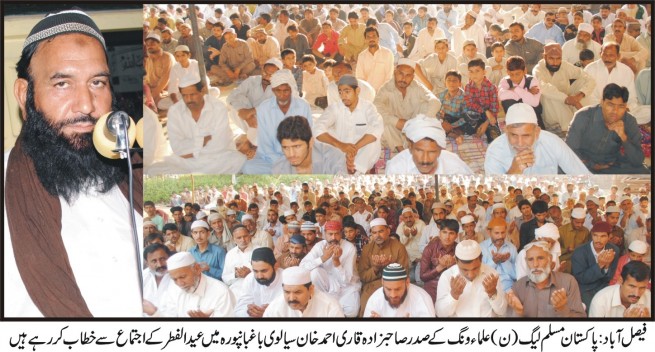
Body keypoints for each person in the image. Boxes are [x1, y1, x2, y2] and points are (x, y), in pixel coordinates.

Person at [5, 8, 144, 317]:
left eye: (97, 83)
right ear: (24, 94)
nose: (86, 104)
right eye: (62, 84)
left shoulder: (136, 174)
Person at [148, 75, 246, 175]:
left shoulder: (218, 107)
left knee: (238, 160)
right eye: (185, 95)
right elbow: (177, 148)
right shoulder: (175, 111)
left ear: (202, 91)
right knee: (152, 170)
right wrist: (203, 140)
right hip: (186, 162)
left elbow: (220, 144)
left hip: (218, 158)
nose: (189, 99)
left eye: (192, 94)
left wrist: (190, 147)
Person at [484, 103, 589, 175]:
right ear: (506, 131)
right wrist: (513, 172)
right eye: (514, 135)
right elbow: (495, 196)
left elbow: (582, 175)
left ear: (537, 132)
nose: (520, 143)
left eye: (526, 136)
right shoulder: (495, 151)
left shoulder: (552, 142)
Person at [566, 84, 649, 174]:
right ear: (602, 102)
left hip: (611, 167)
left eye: (621, 106)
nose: (615, 111)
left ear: (626, 106)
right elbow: (569, 150)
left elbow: (637, 160)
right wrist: (592, 165)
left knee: (644, 172)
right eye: (611, 105)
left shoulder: (629, 121)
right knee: (562, 168)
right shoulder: (583, 116)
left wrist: (623, 136)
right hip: (583, 164)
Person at [243, 69, 312, 174]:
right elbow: (264, 143)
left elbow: (309, 137)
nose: (282, 94)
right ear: (273, 90)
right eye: (278, 91)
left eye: (286, 90)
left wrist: (298, 160)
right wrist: (281, 162)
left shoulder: (303, 106)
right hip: (271, 159)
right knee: (248, 167)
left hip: (299, 158)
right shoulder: (264, 108)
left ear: (292, 89)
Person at [315, 75, 383, 174]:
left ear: (357, 91)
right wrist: (342, 146)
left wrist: (353, 149)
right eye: (340, 92)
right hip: (341, 149)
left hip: (361, 150)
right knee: (322, 136)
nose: (343, 96)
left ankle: (354, 169)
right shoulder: (335, 108)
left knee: (374, 141)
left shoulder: (368, 107)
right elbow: (317, 129)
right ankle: (347, 167)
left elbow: (377, 128)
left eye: (347, 91)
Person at [374, 59, 441, 151]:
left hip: (414, 129)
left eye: (408, 75)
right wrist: (396, 121)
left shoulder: (417, 86)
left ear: (413, 77)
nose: (403, 78)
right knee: (384, 122)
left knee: (426, 105)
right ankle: (402, 150)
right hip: (395, 131)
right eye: (401, 74)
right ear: (395, 72)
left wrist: (420, 123)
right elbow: (375, 106)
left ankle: (415, 141)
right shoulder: (386, 89)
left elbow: (435, 101)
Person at [506, 241, 586, 317]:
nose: (535, 264)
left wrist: (562, 309)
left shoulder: (568, 282)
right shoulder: (518, 286)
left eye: (540, 258)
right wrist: (518, 313)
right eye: (530, 259)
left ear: (550, 259)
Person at [299, 220, 361, 317]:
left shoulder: (349, 248)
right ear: (324, 234)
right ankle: (323, 303)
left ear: (341, 234)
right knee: (315, 272)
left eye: (336, 234)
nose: (333, 237)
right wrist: (323, 258)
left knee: (351, 312)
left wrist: (336, 262)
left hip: (346, 287)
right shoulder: (319, 246)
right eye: (330, 234)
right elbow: (302, 267)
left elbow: (346, 280)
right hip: (326, 286)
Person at [143, 252, 235, 317]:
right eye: (174, 279)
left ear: (197, 269)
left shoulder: (221, 291)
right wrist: (155, 312)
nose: (180, 283)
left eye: (183, 277)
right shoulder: (174, 289)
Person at [533, 42, 596, 134]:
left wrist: (579, 95)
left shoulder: (564, 65)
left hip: (570, 105)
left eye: (558, 59)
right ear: (544, 57)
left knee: (583, 80)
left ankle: (582, 119)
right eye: (551, 58)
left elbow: (589, 78)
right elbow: (544, 87)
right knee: (548, 94)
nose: (555, 63)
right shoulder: (538, 69)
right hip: (551, 114)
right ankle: (569, 129)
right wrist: (566, 99)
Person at [436, 240, 507, 317]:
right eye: (465, 270)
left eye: (475, 268)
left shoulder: (492, 274)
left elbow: (502, 311)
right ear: (456, 261)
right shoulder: (447, 277)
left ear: (481, 259)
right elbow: (440, 314)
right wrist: (453, 295)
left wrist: (493, 293)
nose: (470, 275)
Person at [385, 115, 472, 175]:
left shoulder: (455, 166)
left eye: (432, 152)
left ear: (440, 150)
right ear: (410, 147)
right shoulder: (396, 168)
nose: (425, 160)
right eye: (419, 151)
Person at [358, 218, 410, 317]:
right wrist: (375, 268)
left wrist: (388, 266)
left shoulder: (399, 247)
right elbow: (363, 276)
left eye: (381, 231)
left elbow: (404, 273)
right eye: (374, 233)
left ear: (388, 231)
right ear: (371, 235)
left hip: (395, 286)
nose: (377, 235)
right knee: (366, 308)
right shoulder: (367, 249)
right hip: (372, 286)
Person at [272, 115, 346, 174]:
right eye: (286, 148)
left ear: (310, 142)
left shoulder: (333, 158)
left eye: (297, 146)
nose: (291, 154)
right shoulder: (279, 168)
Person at [571, 221, 621, 310]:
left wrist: (606, 266)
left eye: (603, 236)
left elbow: (609, 277)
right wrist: (600, 265)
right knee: (594, 310)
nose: (598, 240)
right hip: (585, 289)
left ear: (610, 237)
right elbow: (581, 278)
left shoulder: (614, 250)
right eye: (595, 235)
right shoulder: (579, 252)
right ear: (591, 235)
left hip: (604, 287)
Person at [263, 266, 345, 317]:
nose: (291, 298)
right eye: (287, 292)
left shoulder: (330, 306)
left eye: (297, 292)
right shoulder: (275, 308)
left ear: (311, 289)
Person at [363, 263, 435, 317]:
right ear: (382, 283)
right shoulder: (375, 299)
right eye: (388, 289)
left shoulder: (422, 299)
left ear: (407, 283)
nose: (393, 295)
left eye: (397, 289)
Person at [234, 247, 284, 317]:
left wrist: (270, 313)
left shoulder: (286, 279)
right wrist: (250, 312)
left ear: (275, 266)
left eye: (264, 271)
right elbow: (239, 310)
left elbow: (292, 311)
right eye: (255, 271)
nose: (259, 276)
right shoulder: (250, 279)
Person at [419, 219, 458, 303]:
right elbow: (422, 276)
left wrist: (452, 266)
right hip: (433, 287)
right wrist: (440, 267)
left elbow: (464, 275)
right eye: (444, 232)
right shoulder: (429, 249)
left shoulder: (459, 249)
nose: (447, 237)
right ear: (439, 233)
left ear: (456, 236)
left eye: (451, 233)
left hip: (452, 288)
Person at [480, 219, 517, 292]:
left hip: (508, 288)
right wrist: (494, 261)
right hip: (487, 288)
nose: (500, 236)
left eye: (503, 233)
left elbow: (516, 276)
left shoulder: (512, 248)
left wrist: (504, 261)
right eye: (497, 233)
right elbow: (480, 274)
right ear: (489, 232)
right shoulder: (481, 248)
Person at [222, 225, 257, 299]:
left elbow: (268, 274)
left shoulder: (259, 250)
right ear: (234, 239)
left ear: (249, 236)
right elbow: (225, 278)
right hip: (236, 292)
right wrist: (236, 275)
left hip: (256, 288)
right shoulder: (230, 254)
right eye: (239, 238)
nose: (243, 240)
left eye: (245, 236)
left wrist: (250, 274)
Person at [356, 27, 394, 92]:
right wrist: (367, 92)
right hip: (367, 93)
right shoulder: (362, 56)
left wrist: (381, 92)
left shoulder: (387, 53)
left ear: (378, 38)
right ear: (365, 40)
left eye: (374, 36)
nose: (371, 39)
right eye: (368, 37)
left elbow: (389, 77)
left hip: (384, 92)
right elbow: (360, 78)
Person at [144, 31, 175, 110]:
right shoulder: (148, 60)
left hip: (169, 92)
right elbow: (148, 79)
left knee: (160, 104)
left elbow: (165, 80)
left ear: (160, 44)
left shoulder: (167, 57)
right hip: (155, 93)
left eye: (152, 43)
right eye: (147, 44)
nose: (149, 46)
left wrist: (152, 97)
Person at [142, 244, 173, 313]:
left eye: (162, 259)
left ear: (169, 258)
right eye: (154, 261)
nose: (160, 265)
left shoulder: (178, 276)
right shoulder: (142, 277)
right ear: (147, 263)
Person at [558, 208, 590, 274]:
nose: (580, 225)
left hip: (580, 262)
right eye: (577, 222)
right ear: (571, 219)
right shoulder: (561, 230)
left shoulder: (585, 231)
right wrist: (567, 250)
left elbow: (587, 248)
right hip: (564, 262)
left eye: (582, 222)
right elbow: (555, 249)